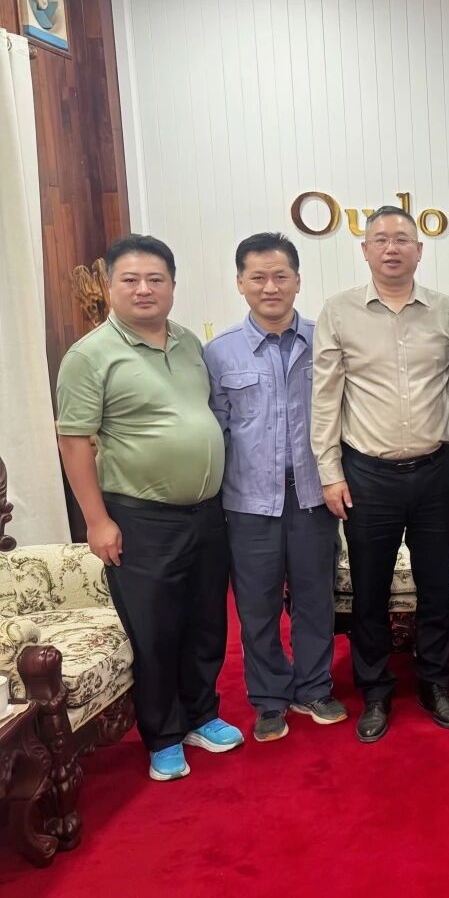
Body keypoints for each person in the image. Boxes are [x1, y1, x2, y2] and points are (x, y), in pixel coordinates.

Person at [55, 234, 242, 781]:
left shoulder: (187, 342)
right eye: (130, 279)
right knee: (155, 630)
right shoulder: (89, 355)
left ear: (172, 286)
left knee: (206, 621)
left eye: (155, 279)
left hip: (206, 511)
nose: (144, 289)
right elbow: (74, 441)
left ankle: (202, 715)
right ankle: (163, 736)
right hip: (140, 516)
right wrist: (96, 521)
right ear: (109, 285)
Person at [311, 205, 449, 743]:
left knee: (436, 587)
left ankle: (435, 683)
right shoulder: (338, 312)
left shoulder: (446, 311)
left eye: (402, 239)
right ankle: (375, 691)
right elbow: (324, 398)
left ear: (419, 250)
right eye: (381, 239)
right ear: (365, 250)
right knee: (369, 591)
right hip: (367, 475)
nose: (391, 248)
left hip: (436, 471)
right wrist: (330, 472)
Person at [204, 232, 347, 743]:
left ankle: (314, 688)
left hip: (313, 497)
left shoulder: (324, 340)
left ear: (297, 281)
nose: (270, 287)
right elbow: (216, 431)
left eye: (281, 276)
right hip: (249, 503)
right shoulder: (218, 353)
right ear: (240, 282)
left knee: (315, 600)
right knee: (257, 607)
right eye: (258, 277)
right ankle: (268, 699)